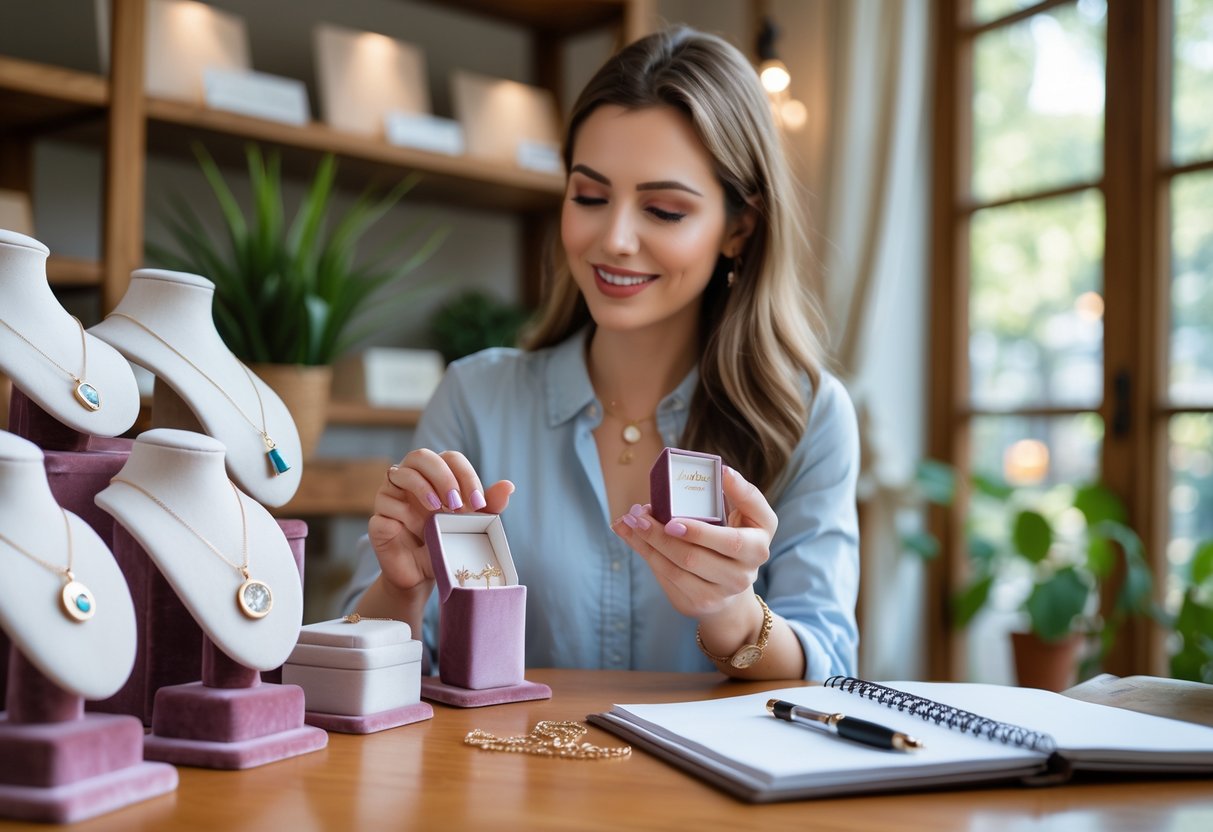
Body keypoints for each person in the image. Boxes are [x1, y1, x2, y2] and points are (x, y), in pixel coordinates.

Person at [344, 25, 859, 681]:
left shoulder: (809, 414)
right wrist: (401, 589)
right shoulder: (474, 399)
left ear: (738, 227)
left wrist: (730, 608)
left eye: (664, 210)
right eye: (588, 197)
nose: (613, 238)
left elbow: (829, 665)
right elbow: (366, 668)